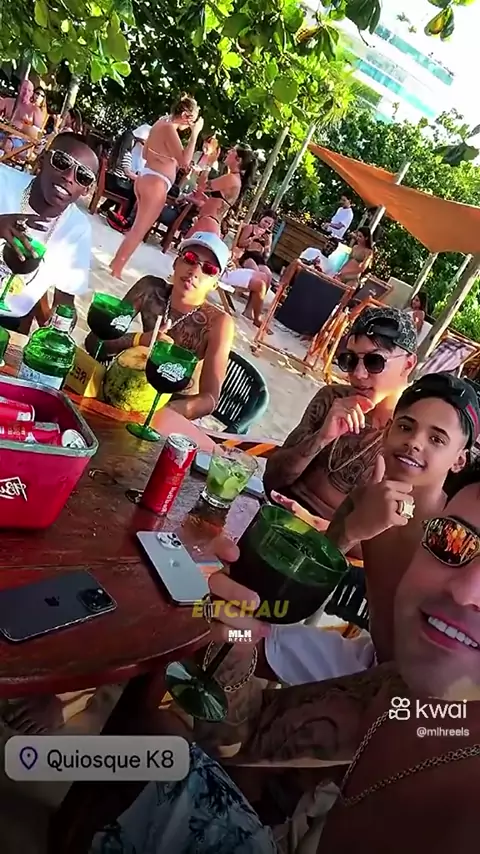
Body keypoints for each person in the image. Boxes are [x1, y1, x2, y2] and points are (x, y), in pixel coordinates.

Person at [90, 465, 480, 852]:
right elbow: (244, 737)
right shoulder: (402, 694)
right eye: (452, 540)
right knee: (147, 736)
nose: (464, 592)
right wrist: (236, 636)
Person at [271, 372, 480, 676]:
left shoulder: (453, 537)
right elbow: (307, 579)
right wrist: (353, 528)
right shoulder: (365, 499)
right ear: (387, 431)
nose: (414, 442)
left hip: (422, 685)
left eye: (436, 439)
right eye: (406, 427)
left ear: (459, 460)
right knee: (240, 636)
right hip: (370, 659)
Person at [263, 305, 417, 523]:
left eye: (374, 361)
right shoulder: (332, 399)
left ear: (407, 364)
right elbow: (271, 480)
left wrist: (322, 528)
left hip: (329, 542)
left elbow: (389, 536)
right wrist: (321, 438)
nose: (358, 374)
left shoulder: (411, 439)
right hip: (276, 514)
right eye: (350, 360)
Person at [86, 232, 234, 420]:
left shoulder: (218, 323)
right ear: (176, 262)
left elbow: (210, 399)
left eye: (209, 269)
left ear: (215, 284)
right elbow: (94, 343)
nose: (195, 271)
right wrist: (141, 339)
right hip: (120, 390)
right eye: (190, 258)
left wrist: (156, 415)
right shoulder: (149, 290)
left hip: (172, 410)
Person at [0, 132, 98, 334]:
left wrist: (62, 322)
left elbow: (65, 300)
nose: (69, 177)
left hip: (8, 324)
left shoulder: (77, 229)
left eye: (83, 176)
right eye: (61, 162)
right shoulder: (3, 182)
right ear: (42, 159)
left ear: (86, 190)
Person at [109, 95, 204, 279]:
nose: (191, 126)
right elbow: (185, 163)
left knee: (137, 228)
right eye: (192, 121)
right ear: (186, 115)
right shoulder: (169, 128)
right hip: (156, 183)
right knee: (139, 230)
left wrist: (165, 159)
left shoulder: (161, 122)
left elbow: (145, 153)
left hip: (147, 177)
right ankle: (117, 268)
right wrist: (195, 135)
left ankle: (116, 262)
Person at [185, 145, 257, 237]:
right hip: (208, 222)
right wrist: (205, 199)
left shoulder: (231, 178)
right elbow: (220, 203)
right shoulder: (234, 179)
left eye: (233, 151)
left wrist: (209, 163)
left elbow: (201, 185)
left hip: (208, 222)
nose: (228, 151)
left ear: (238, 159)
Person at [100, 129, 138, 223]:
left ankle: (104, 208)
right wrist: (140, 179)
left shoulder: (113, 150)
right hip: (117, 183)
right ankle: (123, 218)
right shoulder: (126, 154)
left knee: (125, 190)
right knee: (133, 193)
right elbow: (127, 173)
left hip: (108, 180)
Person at [0, 79, 44, 155]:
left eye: (29, 91)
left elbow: (39, 134)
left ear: (32, 93)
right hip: (3, 134)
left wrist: (23, 127)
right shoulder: (7, 102)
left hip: (21, 142)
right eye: (24, 89)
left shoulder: (35, 111)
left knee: (7, 144)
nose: (26, 93)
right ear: (19, 88)